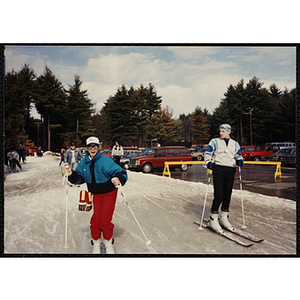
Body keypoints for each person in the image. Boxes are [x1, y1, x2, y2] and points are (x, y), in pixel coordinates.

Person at [64, 136, 128, 254]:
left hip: (109, 192)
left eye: (95, 146)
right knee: (96, 219)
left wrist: (118, 179)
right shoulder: (84, 163)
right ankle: (96, 241)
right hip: (96, 193)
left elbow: (121, 172)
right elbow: (79, 178)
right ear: (86, 148)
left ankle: (108, 242)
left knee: (105, 219)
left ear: (99, 147)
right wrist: (71, 173)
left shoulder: (106, 161)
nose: (92, 149)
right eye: (90, 146)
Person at [204, 124, 244, 233]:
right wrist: (208, 162)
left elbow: (238, 155)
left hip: (230, 170)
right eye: (220, 131)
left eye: (223, 131)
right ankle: (213, 218)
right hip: (219, 169)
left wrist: (240, 160)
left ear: (229, 132)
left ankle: (224, 217)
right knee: (219, 195)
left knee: (227, 194)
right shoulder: (214, 141)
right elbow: (207, 153)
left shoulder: (235, 144)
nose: (220, 133)